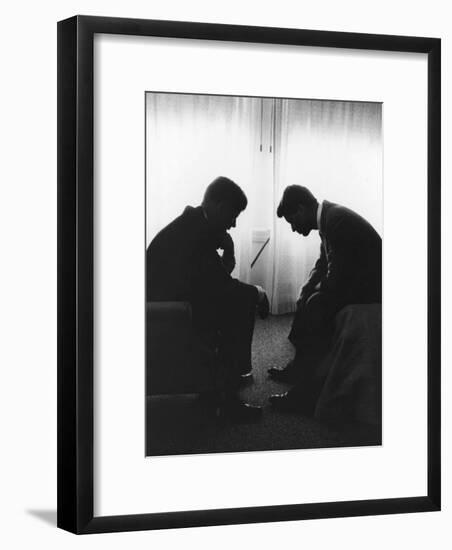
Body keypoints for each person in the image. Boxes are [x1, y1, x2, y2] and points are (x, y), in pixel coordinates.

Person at [147, 176, 269, 422]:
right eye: (233, 215)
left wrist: (228, 250)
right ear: (220, 206)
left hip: (174, 300)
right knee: (242, 301)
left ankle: (222, 383)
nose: (233, 225)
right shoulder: (197, 236)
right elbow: (219, 286)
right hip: (171, 310)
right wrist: (259, 292)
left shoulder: (193, 224)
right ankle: (226, 398)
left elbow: (212, 280)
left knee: (237, 298)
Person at [269, 185, 382, 414]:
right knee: (308, 297)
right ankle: (299, 368)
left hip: (373, 288)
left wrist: (315, 292)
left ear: (301, 209)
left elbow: (338, 276)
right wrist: (307, 287)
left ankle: (305, 395)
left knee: (316, 305)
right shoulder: (329, 219)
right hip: (357, 281)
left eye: (292, 221)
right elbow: (324, 264)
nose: (293, 228)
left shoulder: (337, 221)